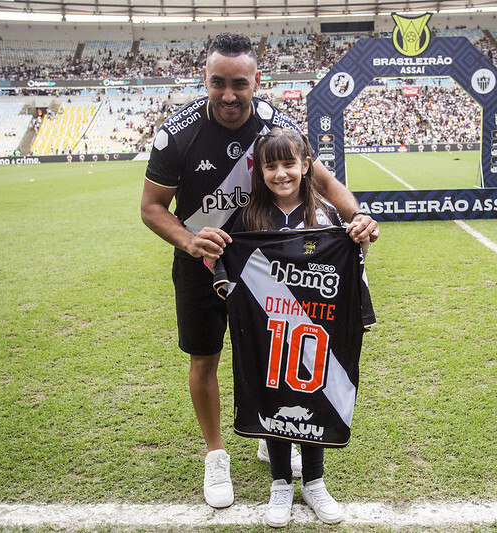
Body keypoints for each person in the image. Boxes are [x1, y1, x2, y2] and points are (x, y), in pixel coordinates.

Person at [140, 32, 379, 509]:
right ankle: (215, 454)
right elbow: (151, 207)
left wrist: (356, 220)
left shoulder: (275, 124)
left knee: (273, 355)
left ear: (257, 81)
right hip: (201, 264)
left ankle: (272, 427)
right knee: (204, 358)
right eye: (218, 83)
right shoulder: (177, 133)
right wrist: (190, 240)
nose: (228, 95)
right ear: (204, 79)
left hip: (267, 268)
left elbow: (325, 181)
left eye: (239, 84)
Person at [220, 128, 368, 526]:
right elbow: (226, 262)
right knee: (273, 396)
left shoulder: (327, 213)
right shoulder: (248, 214)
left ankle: (314, 482)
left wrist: (361, 309)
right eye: (271, 166)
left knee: (314, 395)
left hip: (317, 329)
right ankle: (281, 483)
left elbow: (352, 262)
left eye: (290, 164)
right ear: (259, 170)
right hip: (268, 329)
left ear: (306, 166)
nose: (281, 174)